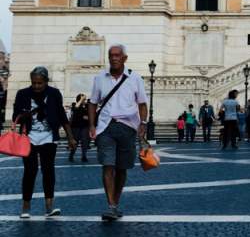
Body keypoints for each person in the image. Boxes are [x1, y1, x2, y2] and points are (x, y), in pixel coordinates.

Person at [88, 44, 149, 221]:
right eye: (111, 55)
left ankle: (116, 202)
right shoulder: (100, 78)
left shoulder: (135, 78)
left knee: (122, 168)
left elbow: (142, 103)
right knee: (108, 165)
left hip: (128, 127)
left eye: (117, 55)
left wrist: (143, 123)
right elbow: (92, 102)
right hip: (105, 127)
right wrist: (92, 125)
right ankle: (111, 206)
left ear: (124, 58)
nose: (113, 58)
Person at [13, 66, 77, 218]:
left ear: (46, 81)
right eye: (34, 83)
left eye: (39, 83)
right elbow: (16, 115)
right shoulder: (22, 94)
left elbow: (62, 116)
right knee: (30, 171)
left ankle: (49, 207)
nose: (36, 86)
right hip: (28, 137)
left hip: (48, 136)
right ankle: (25, 207)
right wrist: (24, 114)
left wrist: (70, 137)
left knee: (48, 171)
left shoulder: (54, 94)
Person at [69, 94, 90, 163]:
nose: (85, 100)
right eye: (84, 99)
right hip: (76, 127)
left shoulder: (87, 106)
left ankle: (84, 156)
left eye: (85, 99)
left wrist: (88, 118)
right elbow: (75, 109)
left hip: (85, 127)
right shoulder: (75, 105)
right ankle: (71, 155)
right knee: (75, 142)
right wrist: (81, 100)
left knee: (85, 142)